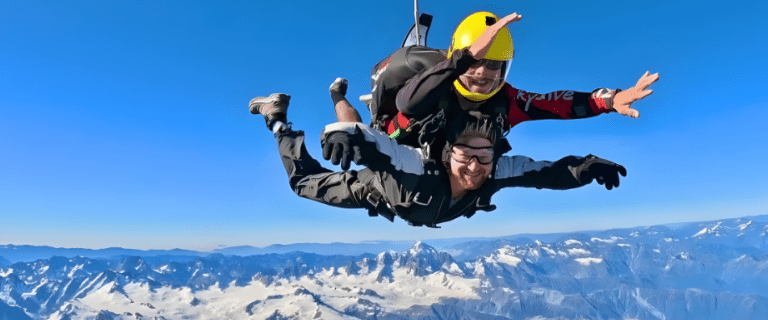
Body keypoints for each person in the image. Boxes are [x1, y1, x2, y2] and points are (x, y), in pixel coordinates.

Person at [248, 93, 627, 228]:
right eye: (465, 155)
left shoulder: (496, 171)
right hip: (374, 187)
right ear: (448, 155)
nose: (476, 167)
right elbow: (378, 149)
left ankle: (366, 105)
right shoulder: (418, 168)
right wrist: (342, 136)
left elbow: (547, 172)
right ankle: (278, 120)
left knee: (376, 133)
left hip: (407, 197)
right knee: (303, 184)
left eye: (485, 156)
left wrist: (586, 167)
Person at [329, 11, 660, 163]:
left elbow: (556, 104)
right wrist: (463, 60)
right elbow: (408, 103)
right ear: (462, 57)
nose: (484, 73)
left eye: (495, 65)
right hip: (395, 136)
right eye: (477, 62)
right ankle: (338, 96)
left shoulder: (506, 101)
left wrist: (610, 99)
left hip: (449, 163)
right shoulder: (436, 83)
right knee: (356, 131)